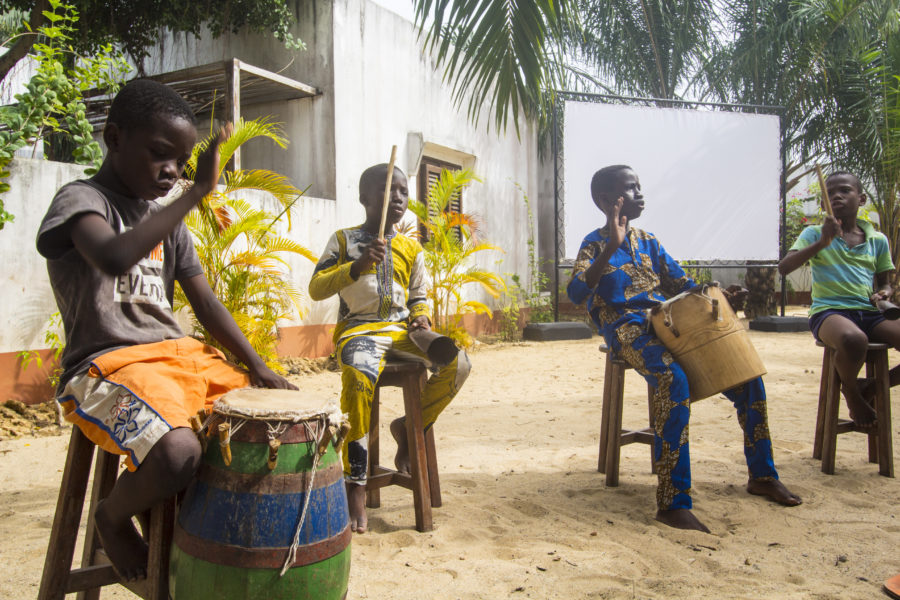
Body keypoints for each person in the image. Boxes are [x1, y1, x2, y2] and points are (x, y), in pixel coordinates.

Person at [36, 79, 295, 581]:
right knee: (178, 453)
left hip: (178, 356)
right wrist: (196, 193)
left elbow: (205, 300)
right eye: (160, 155)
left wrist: (257, 365)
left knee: (271, 426)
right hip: (105, 366)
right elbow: (113, 256)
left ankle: (208, 545)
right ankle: (111, 518)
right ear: (113, 139)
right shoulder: (80, 201)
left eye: (181, 162)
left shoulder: (168, 224)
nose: (172, 173)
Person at [567, 164, 801, 533]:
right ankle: (672, 502)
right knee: (672, 380)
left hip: (669, 323)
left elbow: (684, 283)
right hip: (625, 328)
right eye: (632, 188)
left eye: (640, 185)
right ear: (607, 201)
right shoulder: (594, 244)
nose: (641, 192)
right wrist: (611, 245)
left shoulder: (649, 241)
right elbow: (577, 292)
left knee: (748, 378)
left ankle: (762, 476)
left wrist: (721, 294)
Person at [308, 163, 471, 533]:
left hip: (403, 334)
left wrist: (422, 319)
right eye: (387, 190)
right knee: (359, 378)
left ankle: (408, 426)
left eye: (402, 191)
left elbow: (418, 297)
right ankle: (356, 487)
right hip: (359, 331)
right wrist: (357, 264)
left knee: (457, 363)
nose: (397, 197)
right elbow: (317, 287)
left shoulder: (411, 247)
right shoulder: (344, 241)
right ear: (365, 198)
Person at [779, 170, 900, 429]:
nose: (836, 196)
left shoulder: (878, 240)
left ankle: (873, 387)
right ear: (823, 205)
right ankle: (852, 393)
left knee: (863, 335)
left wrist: (885, 293)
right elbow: (785, 267)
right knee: (854, 339)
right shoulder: (813, 234)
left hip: (869, 313)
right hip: (829, 313)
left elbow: (885, 282)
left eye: (845, 190)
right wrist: (823, 242)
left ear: (862, 198)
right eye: (831, 193)